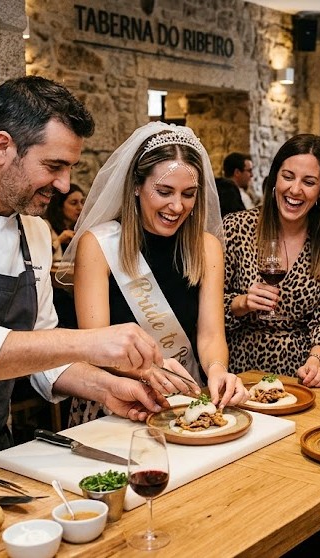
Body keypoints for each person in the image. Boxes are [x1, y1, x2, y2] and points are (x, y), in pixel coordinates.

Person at [0, 76, 170, 474]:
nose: (65, 185)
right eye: (54, 166)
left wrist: (109, 388)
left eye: (70, 169)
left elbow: (42, 353)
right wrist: (88, 342)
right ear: (3, 146)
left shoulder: (32, 227)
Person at [62, 122, 248, 425]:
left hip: (184, 405)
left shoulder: (206, 247)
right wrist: (150, 370)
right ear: (136, 185)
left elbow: (211, 334)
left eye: (189, 194)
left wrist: (216, 369)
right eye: (164, 191)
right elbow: (96, 349)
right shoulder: (98, 245)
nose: (177, 206)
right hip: (118, 400)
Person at [223, 134, 320, 387]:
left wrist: (316, 359)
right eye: (288, 176)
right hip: (240, 372)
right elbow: (207, 313)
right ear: (274, 179)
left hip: (299, 377)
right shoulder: (236, 227)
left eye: (309, 182)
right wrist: (243, 302)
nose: (295, 190)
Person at [45, 183, 85, 263]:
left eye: (82, 202)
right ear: (59, 206)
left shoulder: (79, 229)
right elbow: (40, 258)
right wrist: (60, 240)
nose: (80, 207)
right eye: (74, 203)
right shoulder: (45, 226)